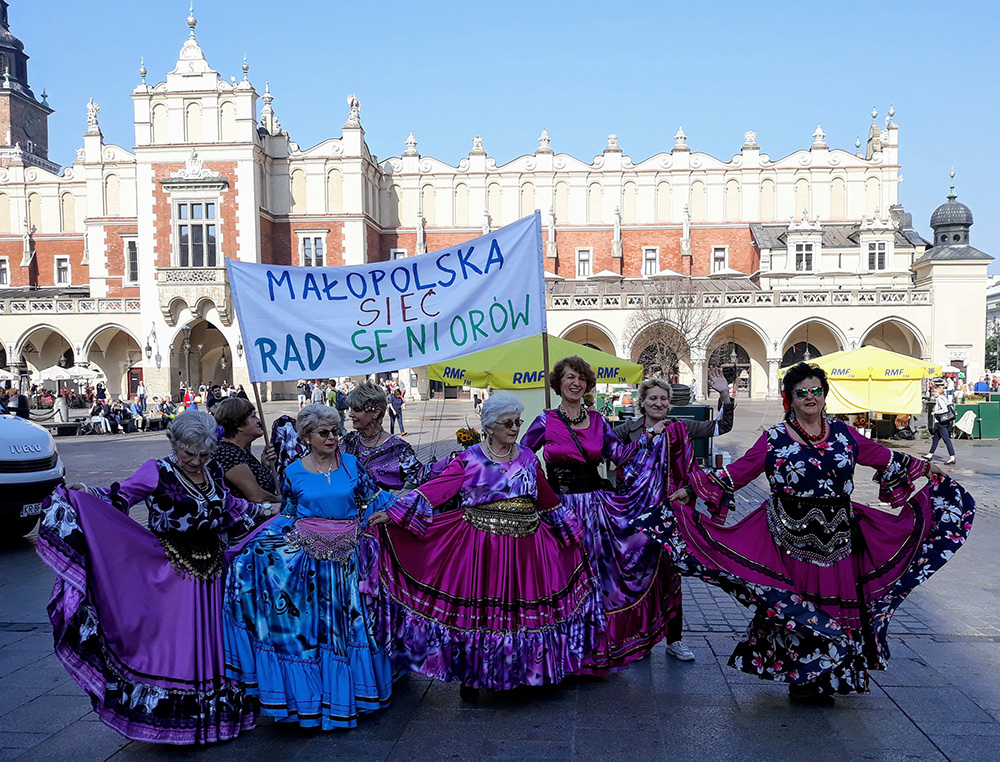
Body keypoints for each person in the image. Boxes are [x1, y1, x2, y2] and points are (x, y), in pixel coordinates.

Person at [634, 362, 975, 703]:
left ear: (825, 396)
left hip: (839, 538)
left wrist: (923, 467)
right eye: (802, 392)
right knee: (798, 605)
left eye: (816, 391)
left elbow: (883, 457)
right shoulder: (775, 439)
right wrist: (692, 490)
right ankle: (802, 676)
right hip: (789, 538)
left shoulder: (844, 434)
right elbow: (738, 472)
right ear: (790, 399)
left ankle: (831, 676)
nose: (810, 397)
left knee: (836, 606)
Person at [36, 412, 274, 744]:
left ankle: (216, 721)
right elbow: (120, 497)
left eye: (203, 454)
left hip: (214, 574)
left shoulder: (215, 471)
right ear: (176, 445)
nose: (194, 460)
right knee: (178, 648)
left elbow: (233, 508)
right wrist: (85, 495)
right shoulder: (157, 470)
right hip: (172, 575)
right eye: (188, 453)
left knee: (214, 645)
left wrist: (274, 514)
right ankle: (177, 725)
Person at [379, 392, 603, 701]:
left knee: (523, 614)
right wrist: (394, 512)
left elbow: (547, 498)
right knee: (482, 614)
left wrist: (569, 529)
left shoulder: (526, 456)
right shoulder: (470, 458)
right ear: (489, 427)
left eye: (517, 422)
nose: (514, 428)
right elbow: (437, 489)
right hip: (483, 549)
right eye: (507, 423)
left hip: (528, 547)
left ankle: (526, 672)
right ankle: (475, 674)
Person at [223, 404, 396, 730]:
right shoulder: (293, 472)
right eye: (324, 433)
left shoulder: (351, 465)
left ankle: (352, 698)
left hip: (348, 564)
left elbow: (375, 499)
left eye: (335, 431)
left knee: (349, 632)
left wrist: (401, 510)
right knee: (314, 635)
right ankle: (314, 700)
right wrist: (254, 549)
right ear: (306, 438)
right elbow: (288, 516)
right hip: (309, 567)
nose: (332, 437)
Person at [521, 355, 666, 674]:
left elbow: (622, 456)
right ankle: (562, 651)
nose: (576, 383)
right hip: (558, 511)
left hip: (596, 510)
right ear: (558, 383)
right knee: (561, 578)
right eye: (570, 377)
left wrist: (650, 438)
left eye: (581, 378)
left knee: (599, 578)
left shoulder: (599, 421)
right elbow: (522, 459)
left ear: (587, 385)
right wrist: (542, 494)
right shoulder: (545, 421)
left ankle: (595, 650)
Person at [613, 368, 734, 661]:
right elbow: (608, 453)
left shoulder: (681, 427)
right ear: (641, 402)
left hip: (670, 512)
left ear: (669, 403)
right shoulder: (625, 430)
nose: (658, 403)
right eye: (652, 398)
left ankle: (674, 640)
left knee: (671, 575)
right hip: (635, 514)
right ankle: (638, 639)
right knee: (637, 576)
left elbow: (722, 427)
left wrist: (724, 394)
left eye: (663, 399)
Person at [341, 382, 429, 491]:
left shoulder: (397, 448)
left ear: (376, 413)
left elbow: (421, 477)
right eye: (351, 409)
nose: (351, 414)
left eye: (357, 410)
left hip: (379, 507)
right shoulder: (348, 441)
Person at [212, 398, 280, 502]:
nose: (259, 421)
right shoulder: (228, 454)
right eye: (253, 416)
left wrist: (265, 466)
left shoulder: (240, 450)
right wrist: (281, 500)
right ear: (239, 425)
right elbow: (257, 496)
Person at [925, 386, 957, 465]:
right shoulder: (944, 398)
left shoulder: (939, 399)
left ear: (939, 393)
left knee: (947, 440)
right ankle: (930, 454)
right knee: (935, 439)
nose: (934, 393)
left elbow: (944, 409)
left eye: (935, 392)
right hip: (945, 422)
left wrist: (936, 412)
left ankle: (952, 457)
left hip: (942, 422)